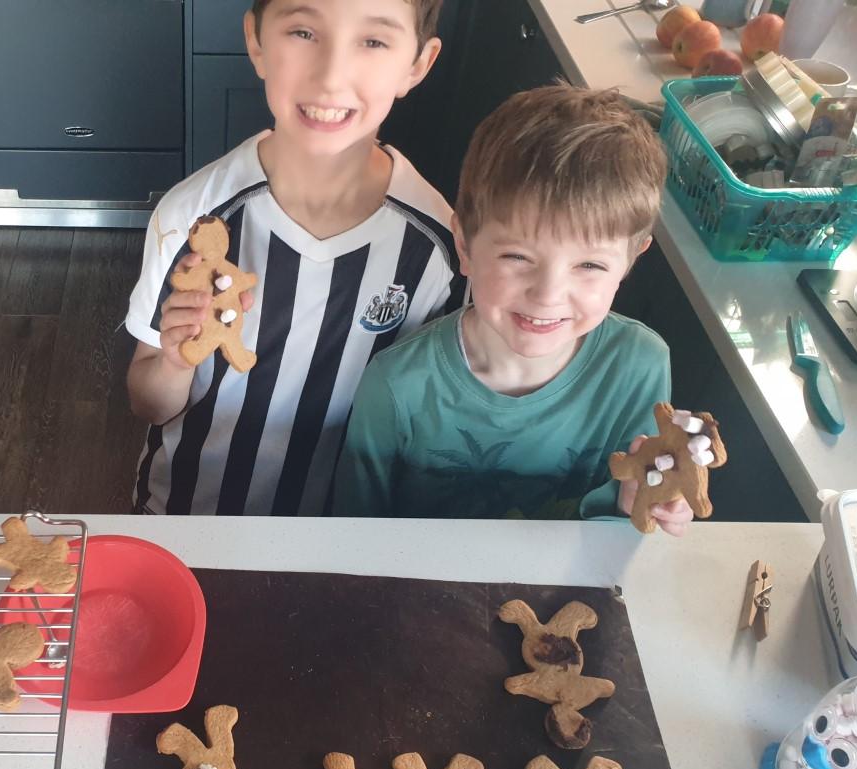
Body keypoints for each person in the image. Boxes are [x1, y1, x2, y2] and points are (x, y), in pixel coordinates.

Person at [124, 0, 464, 515]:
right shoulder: (192, 217)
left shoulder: (439, 248)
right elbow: (147, 402)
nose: (331, 76)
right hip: (189, 516)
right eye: (304, 32)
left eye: (373, 41)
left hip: (345, 532)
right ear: (257, 41)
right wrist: (175, 361)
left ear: (417, 64)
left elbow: (432, 420)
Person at [335, 83, 693, 535]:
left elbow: (626, 518)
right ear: (465, 245)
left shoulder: (638, 366)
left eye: (589, 265)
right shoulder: (395, 386)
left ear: (630, 260)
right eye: (518, 257)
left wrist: (646, 504)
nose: (547, 294)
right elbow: (351, 537)